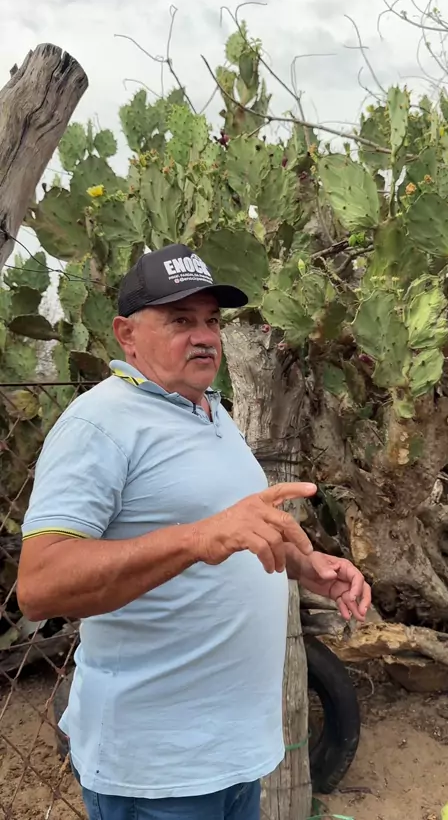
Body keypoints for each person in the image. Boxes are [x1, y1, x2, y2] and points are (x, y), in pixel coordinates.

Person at [17, 244, 371, 820]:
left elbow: (232, 531)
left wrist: (308, 566)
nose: (204, 337)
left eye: (211, 321)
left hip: (233, 754)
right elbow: (39, 586)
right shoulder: (98, 425)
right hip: (158, 770)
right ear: (127, 335)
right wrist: (195, 539)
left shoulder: (209, 410)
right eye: (181, 321)